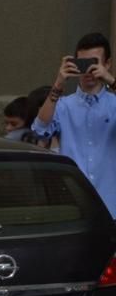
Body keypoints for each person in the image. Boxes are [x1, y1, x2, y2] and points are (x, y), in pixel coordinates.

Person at [32, 32, 116, 218]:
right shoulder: (63, 105)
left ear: (107, 64)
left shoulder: (113, 104)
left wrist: (110, 79)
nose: (88, 71)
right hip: (75, 207)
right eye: (83, 64)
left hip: (112, 205)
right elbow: (40, 129)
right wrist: (59, 83)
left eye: (95, 63)